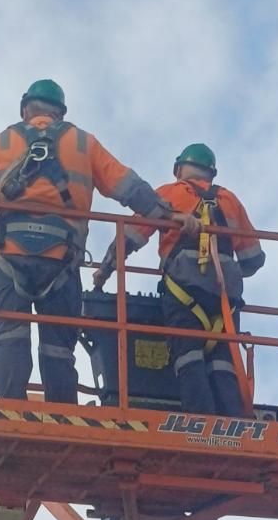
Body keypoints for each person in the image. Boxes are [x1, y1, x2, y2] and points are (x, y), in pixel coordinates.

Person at [0, 79, 181, 405]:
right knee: (58, 346)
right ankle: (61, 411)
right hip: (62, 258)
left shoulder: (4, 142)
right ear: (60, 113)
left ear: (26, 109)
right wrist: (166, 214)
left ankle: (11, 409)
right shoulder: (83, 143)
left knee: (10, 337)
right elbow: (126, 185)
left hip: (8, 254)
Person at [95, 143, 264, 415]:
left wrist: (104, 271)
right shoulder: (230, 200)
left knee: (188, 355)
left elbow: (129, 238)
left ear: (179, 169)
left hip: (183, 289)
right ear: (211, 173)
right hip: (225, 298)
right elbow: (253, 259)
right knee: (223, 359)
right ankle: (235, 422)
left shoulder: (170, 194)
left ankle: (201, 422)